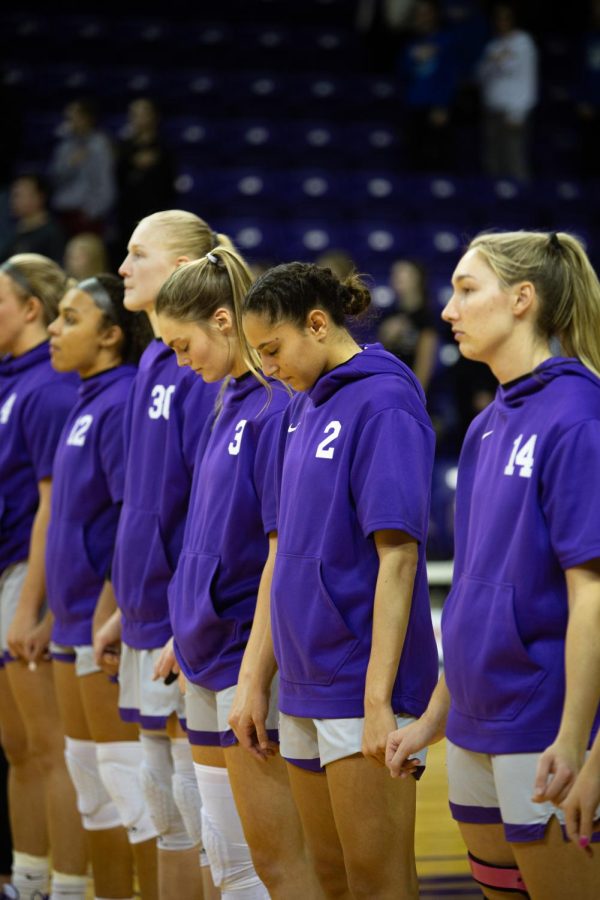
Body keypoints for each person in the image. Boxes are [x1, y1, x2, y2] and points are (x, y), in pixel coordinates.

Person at [386, 230, 600, 899]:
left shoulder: (580, 418)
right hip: (476, 720)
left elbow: (591, 594)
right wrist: (436, 716)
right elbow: (477, 592)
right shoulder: (484, 427)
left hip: (543, 726)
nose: (448, 310)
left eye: (466, 289)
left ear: (522, 300)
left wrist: (576, 739)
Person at [241, 261, 439, 897]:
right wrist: (259, 680)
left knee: (377, 882)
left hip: (360, 685)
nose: (267, 367)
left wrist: (378, 702)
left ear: (318, 324)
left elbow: (399, 557)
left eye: (273, 349)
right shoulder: (301, 406)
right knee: (328, 878)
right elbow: (288, 555)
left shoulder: (384, 399)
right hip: (305, 679)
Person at [154, 247, 321, 899]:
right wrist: (180, 627)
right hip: (202, 650)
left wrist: (254, 673)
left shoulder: (275, 405)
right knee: (230, 865)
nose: (179, 360)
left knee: (275, 866)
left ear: (224, 321)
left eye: (182, 343)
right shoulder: (225, 399)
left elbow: (277, 552)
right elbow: (209, 534)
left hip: (245, 658)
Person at [92, 210, 223, 900]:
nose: (123, 267)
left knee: (201, 816)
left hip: (184, 624)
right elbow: (140, 503)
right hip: (145, 614)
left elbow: (206, 507)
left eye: (137, 253)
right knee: (166, 812)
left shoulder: (195, 368)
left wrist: (181, 617)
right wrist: (122, 604)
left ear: (178, 270)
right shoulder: (151, 358)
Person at [47, 273, 158, 899]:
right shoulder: (86, 398)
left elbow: (129, 516)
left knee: (126, 786)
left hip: (101, 615)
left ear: (112, 335)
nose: (56, 331)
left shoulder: (118, 402)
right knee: (92, 785)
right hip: (70, 616)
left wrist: (108, 608)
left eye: (71, 318)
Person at [0, 254, 86, 900]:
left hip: (28, 575)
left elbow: (55, 508)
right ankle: (28, 878)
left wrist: (34, 605)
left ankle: (70, 883)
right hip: (8, 572)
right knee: (18, 746)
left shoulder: (50, 388)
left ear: (32, 308)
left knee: (51, 747)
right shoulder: (12, 380)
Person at [476, 2, 538, 181]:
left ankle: (520, 204)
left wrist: (518, 112)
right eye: (498, 18)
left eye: (506, 18)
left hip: (512, 112)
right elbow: (480, 76)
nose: (501, 22)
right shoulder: (493, 45)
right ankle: (495, 205)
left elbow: (528, 79)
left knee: (514, 160)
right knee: (492, 162)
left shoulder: (523, 42)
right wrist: (491, 61)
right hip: (492, 109)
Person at [48, 97, 116, 238]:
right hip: (63, 211)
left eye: (74, 117)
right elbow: (54, 178)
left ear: (87, 118)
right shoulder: (64, 146)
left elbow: (104, 182)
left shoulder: (100, 145)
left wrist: (94, 211)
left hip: (87, 214)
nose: (70, 121)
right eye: (68, 117)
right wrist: (70, 165)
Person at [116, 97, 176, 254]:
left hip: (158, 214)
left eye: (144, 113)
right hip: (128, 217)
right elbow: (117, 180)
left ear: (155, 116)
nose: (139, 118)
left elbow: (171, 183)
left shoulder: (165, 147)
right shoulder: (123, 148)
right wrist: (132, 164)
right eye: (135, 114)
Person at [376, 258, 439, 394]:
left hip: (411, 390)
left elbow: (425, 363)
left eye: (403, 274)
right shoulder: (388, 314)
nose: (397, 278)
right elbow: (378, 354)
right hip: (388, 386)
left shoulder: (425, 317)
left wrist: (416, 396)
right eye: (395, 274)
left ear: (417, 278)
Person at [3, 173, 65, 263]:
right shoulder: (15, 231)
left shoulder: (52, 234)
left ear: (39, 197)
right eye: (14, 195)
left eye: (19, 195)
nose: (14, 200)